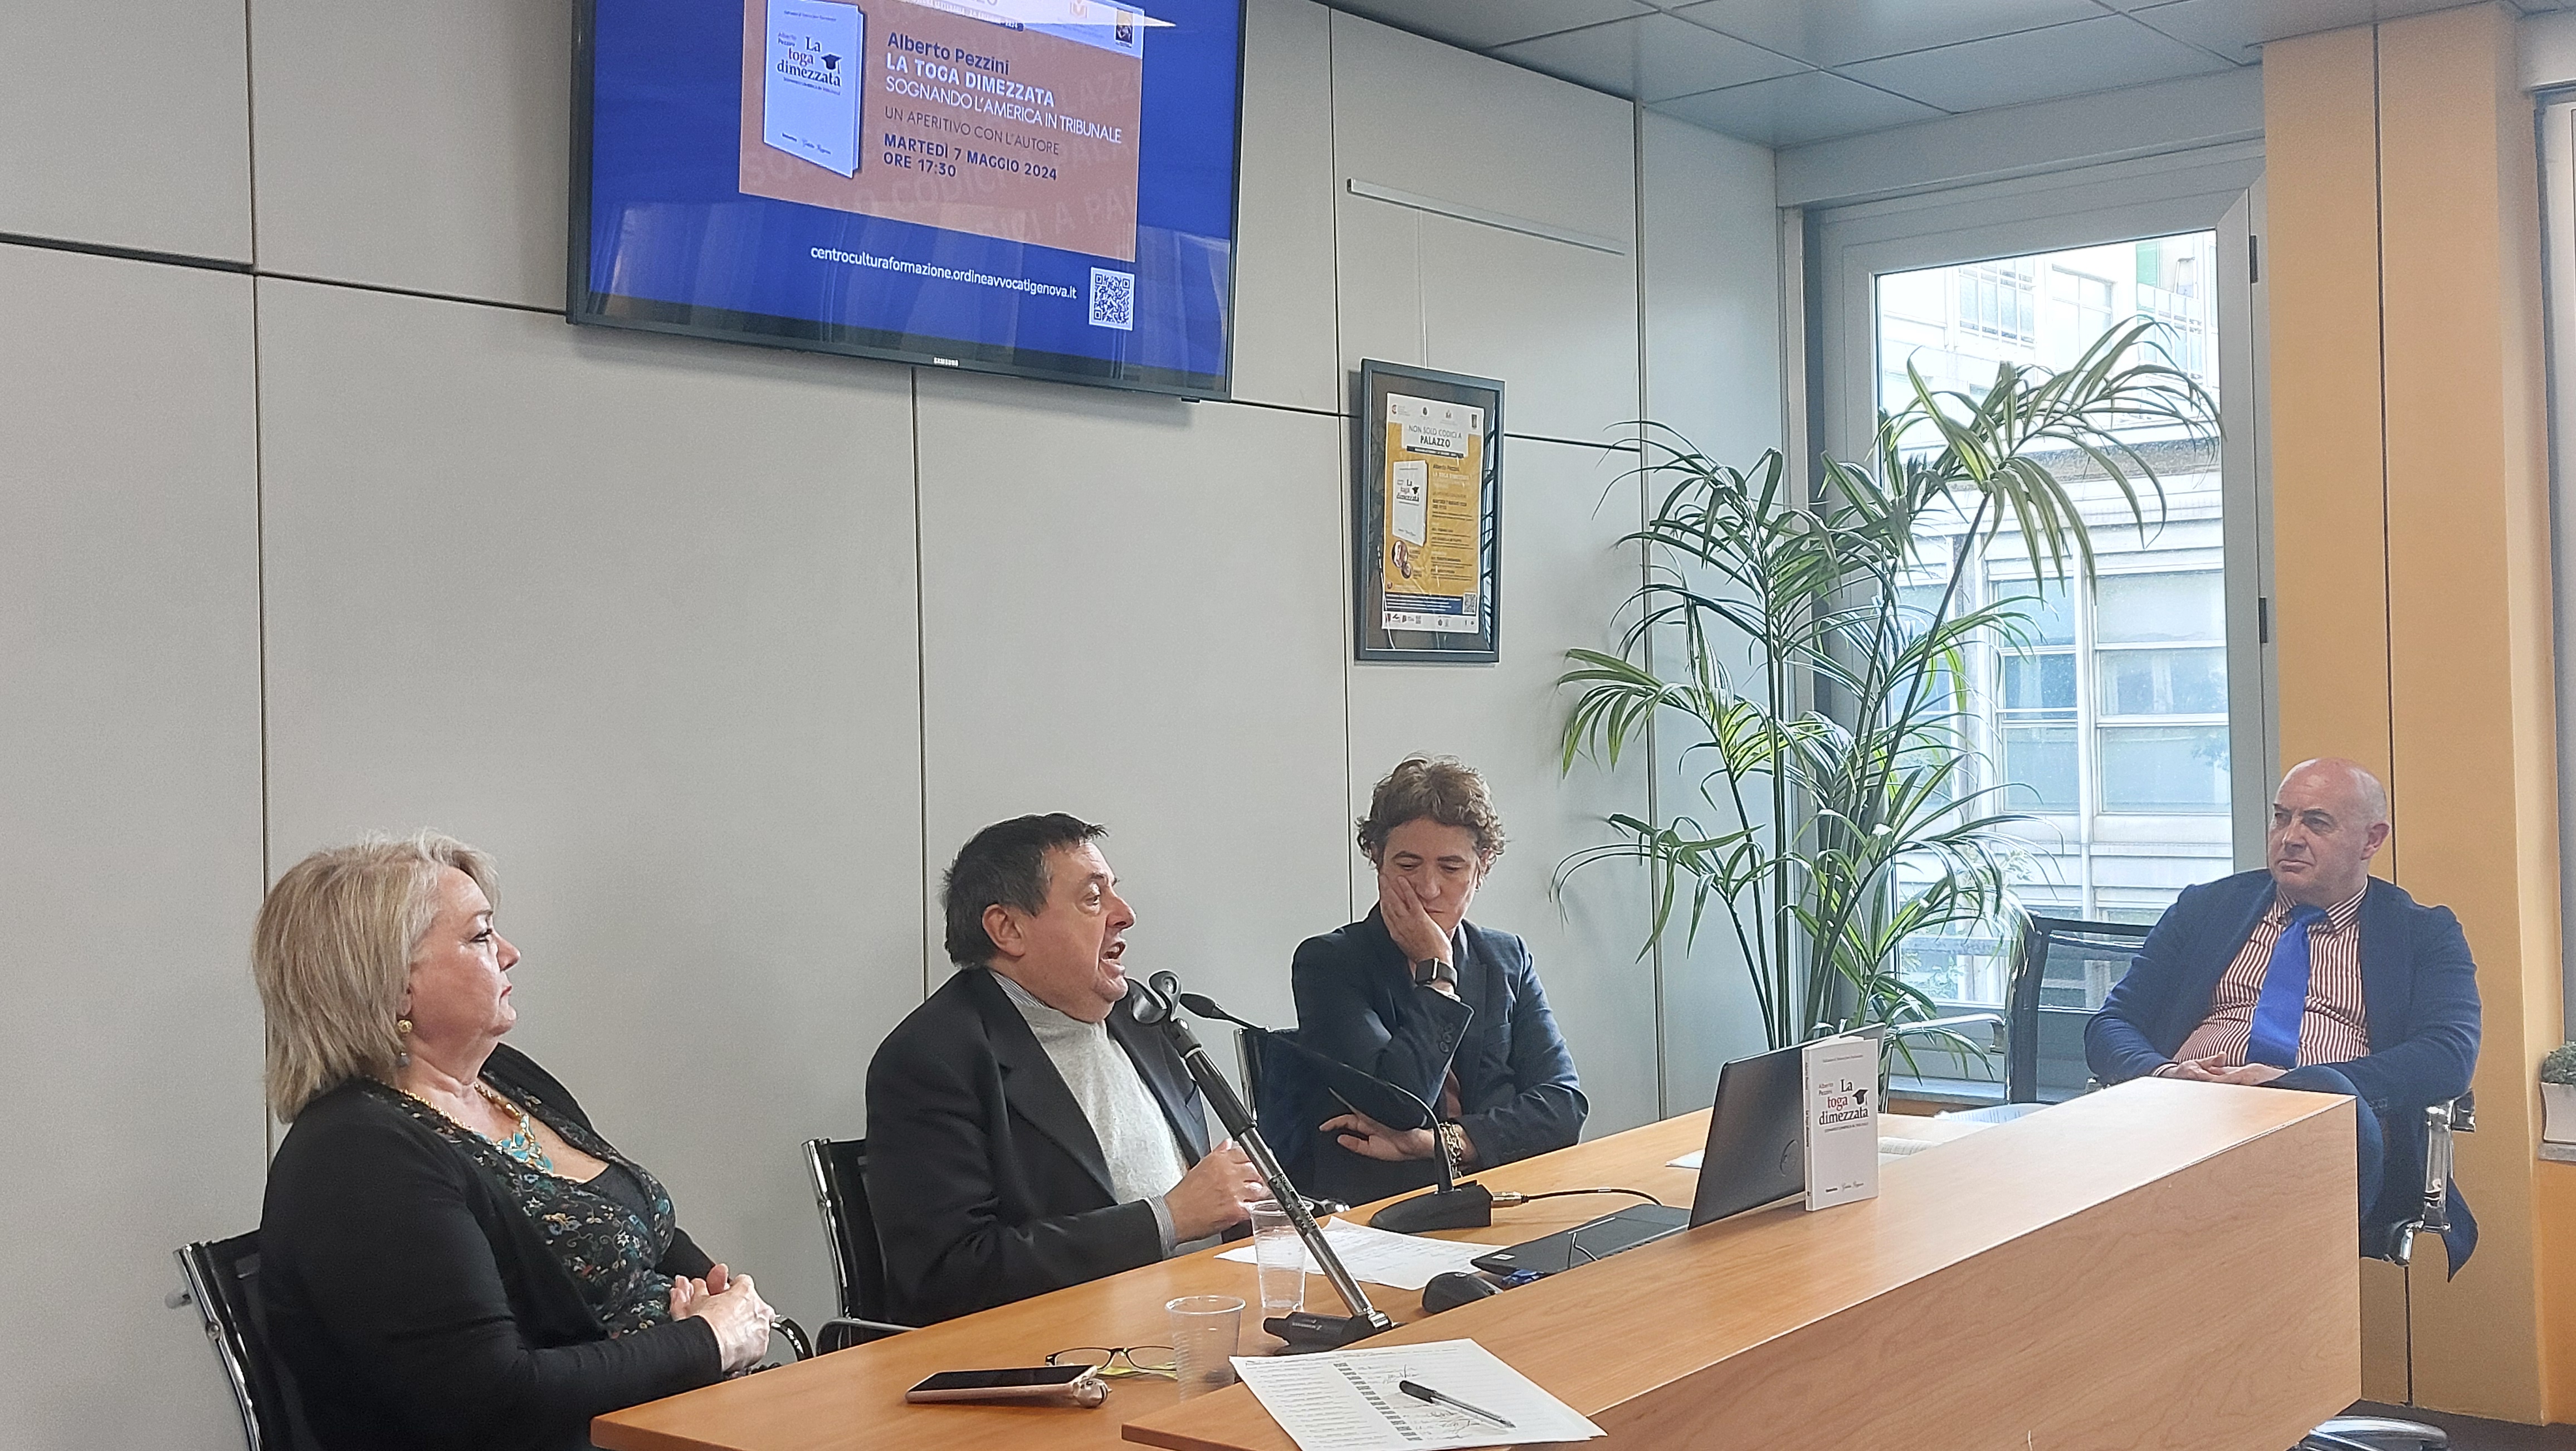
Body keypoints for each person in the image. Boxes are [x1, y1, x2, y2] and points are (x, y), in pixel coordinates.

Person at [254, 834, 775, 1451]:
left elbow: (632, 1224)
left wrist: (727, 1302)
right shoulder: (359, 1157)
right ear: (395, 986)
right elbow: (496, 1400)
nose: (510, 953)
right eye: (480, 936)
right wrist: (706, 1342)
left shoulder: (507, 1077)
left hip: (676, 1418)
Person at [866, 814, 1266, 1325]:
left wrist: (1250, 1204)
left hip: (1206, 1314)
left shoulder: (1142, 1017)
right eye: (1093, 898)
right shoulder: (932, 1058)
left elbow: (1201, 1200)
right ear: (1008, 929)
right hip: (1064, 1349)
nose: (1126, 914)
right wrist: (1167, 1220)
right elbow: (950, 1276)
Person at [2087, 757, 2480, 1272]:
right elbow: (2111, 1024)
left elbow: (2448, 1056)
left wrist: (2294, 1085)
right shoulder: (2206, 909)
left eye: (2317, 823)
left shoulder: (2423, 933)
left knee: (2326, 1095)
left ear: (2371, 840)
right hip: (2187, 1112)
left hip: (2323, 1128)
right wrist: (2163, 1074)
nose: (2291, 838)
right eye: (2281, 818)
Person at [1288, 757, 1587, 1205]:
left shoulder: (1506, 957)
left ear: (1482, 867)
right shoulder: (1329, 963)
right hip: (1385, 1209)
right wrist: (1438, 973)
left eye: (1451, 868)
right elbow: (1401, 1105)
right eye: (1408, 865)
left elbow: (1564, 1108)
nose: (1428, 889)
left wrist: (1442, 1144)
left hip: (1505, 1193)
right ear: (1377, 859)